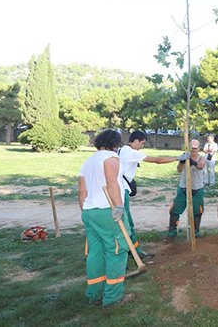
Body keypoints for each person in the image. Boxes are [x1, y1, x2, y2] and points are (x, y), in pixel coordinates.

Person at [78, 129, 132, 308]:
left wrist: (84, 211)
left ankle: (94, 294)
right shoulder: (111, 158)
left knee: (94, 252)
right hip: (107, 211)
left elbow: (81, 190)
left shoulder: (88, 161)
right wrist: (118, 206)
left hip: (89, 211)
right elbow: (112, 183)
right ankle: (113, 297)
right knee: (116, 250)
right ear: (115, 144)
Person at [118, 130, 190, 258]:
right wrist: (178, 158)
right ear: (135, 141)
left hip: (119, 189)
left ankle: (132, 251)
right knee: (127, 223)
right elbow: (157, 160)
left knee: (125, 222)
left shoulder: (121, 150)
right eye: (142, 144)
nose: (142, 147)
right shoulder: (131, 152)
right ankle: (132, 253)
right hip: (121, 191)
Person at [164, 139, 206, 242]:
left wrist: (193, 163)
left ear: (199, 148)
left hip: (196, 189)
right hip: (183, 188)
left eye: (195, 148)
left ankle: (196, 233)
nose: (193, 150)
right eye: (192, 148)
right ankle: (171, 233)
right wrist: (182, 161)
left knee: (197, 212)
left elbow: (200, 166)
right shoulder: (185, 156)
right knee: (174, 211)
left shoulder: (202, 158)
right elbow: (178, 169)